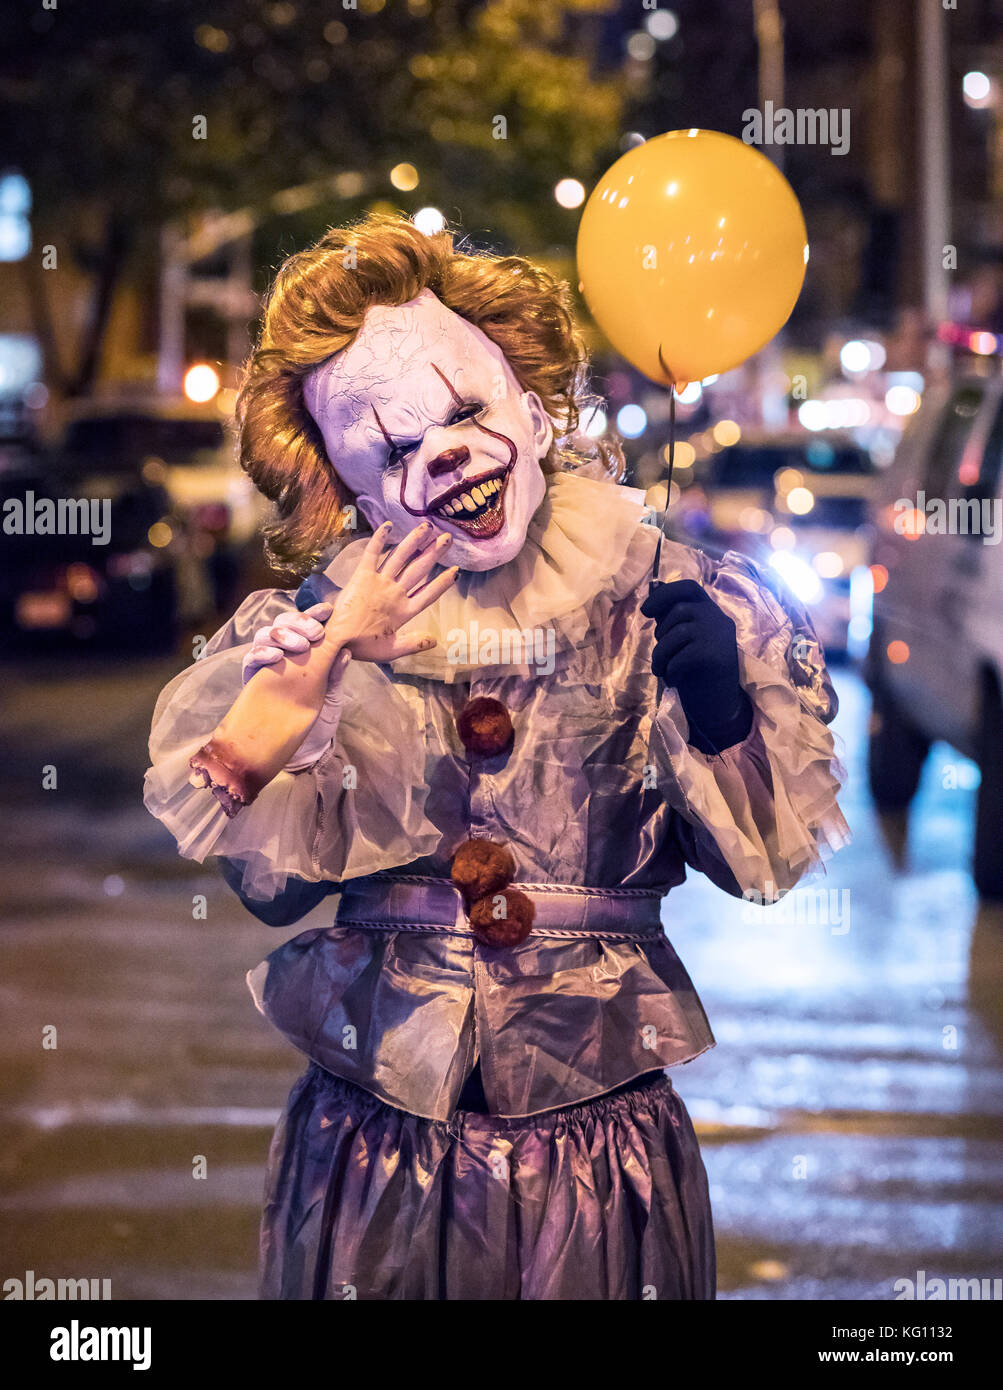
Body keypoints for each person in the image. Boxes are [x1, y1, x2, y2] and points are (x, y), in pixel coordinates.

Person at [144, 213, 849, 1300]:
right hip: (379, 1152)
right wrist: (315, 681)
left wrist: (714, 707)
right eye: (391, 450)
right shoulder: (319, 628)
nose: (448, 455)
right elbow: (269, 886)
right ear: (350, 489)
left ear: (527, 398)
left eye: (467, 410)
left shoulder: (665, 593)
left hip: (597, 1150)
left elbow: (763, 863)